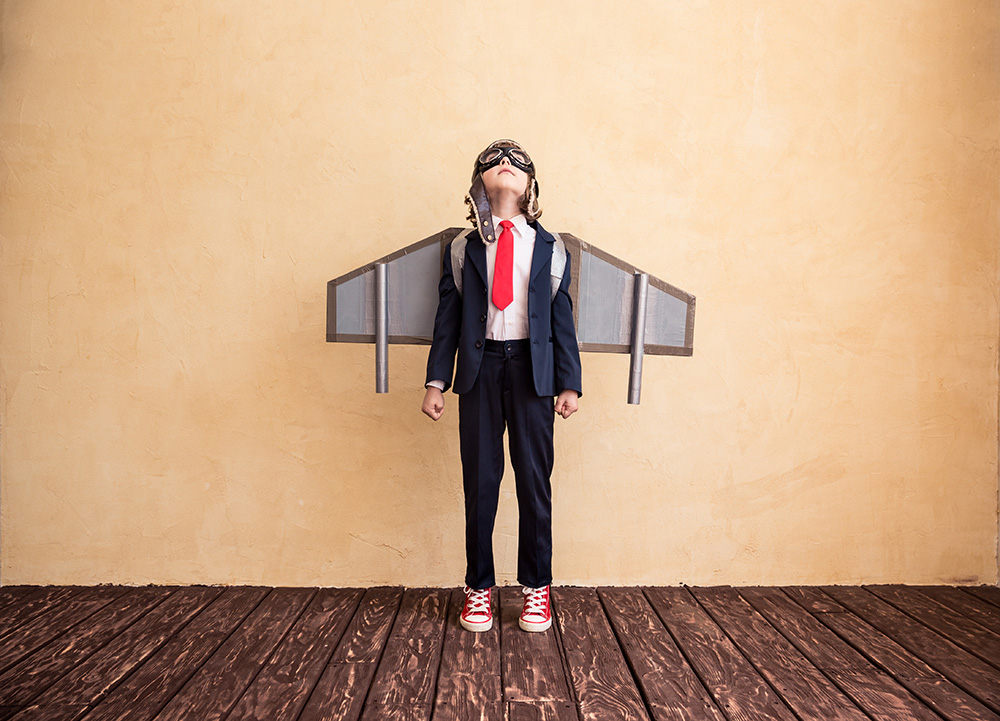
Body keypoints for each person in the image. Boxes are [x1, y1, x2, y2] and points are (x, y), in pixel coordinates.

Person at [422, 139, 583, 633]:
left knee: (534, 482)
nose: (506, 167)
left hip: (533, 374)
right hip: (480, 370)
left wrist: (568, 383)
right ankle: (479, 588)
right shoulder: (463, 248)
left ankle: (537, 589)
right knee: (481, 482)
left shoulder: (550, 248)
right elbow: (447, 318)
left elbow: (562, 319)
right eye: (494, 162)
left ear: (531, 184)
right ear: (478, 182)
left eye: (517, 164)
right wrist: (435, 381)